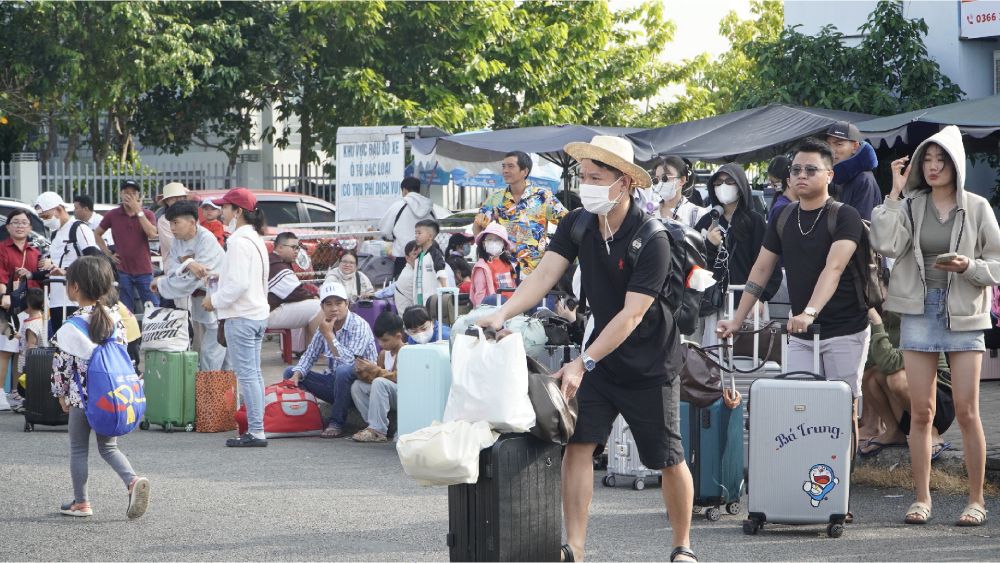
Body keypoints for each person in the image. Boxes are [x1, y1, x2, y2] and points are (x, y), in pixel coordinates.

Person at [478, 135, 696, 563]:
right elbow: (543, 276)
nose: (587, 185)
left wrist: (582, 361)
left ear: (626, 184)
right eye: (584, 176)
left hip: (649, 361)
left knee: (667, 458)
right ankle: (574, 547)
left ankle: (682, 545)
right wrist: (501, 314)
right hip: (597, 358)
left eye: (598, 178)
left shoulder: (652, 237)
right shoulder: (577, 223)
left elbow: (633, 315)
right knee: (578, 445)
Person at [871, 125, 1000, 527]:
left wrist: (970, 267)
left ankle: (976, 500)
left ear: (955, 165)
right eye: (926, 159)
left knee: (967, 412)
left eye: (940, 160)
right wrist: (893, 192)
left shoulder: (977, 207)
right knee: (922, 412)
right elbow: (887, 245)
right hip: (919, 311)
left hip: (963, 312)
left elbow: (996, 263)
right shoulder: (910, 204)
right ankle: (922, 498)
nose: (932, 166)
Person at [717, 137, 870, 461]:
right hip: (801, 334)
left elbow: (835, 267)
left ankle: (840, 492)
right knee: (801, 405)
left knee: (843, 408)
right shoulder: (783, 217)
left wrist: (810, 312)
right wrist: (737, 319)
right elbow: (760, 270)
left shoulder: (845, 216)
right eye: (796, 169)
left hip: (846, 328)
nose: (801, 175)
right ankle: (806, 481)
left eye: (811, 169)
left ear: (829, 174)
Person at [49, 256, 150, 519]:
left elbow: (61, 367)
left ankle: (81, 503)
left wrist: (60, 396)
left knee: (78, 449)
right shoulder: (116, 318)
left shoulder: (70, 327)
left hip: (81, 400)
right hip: (111, 397)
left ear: (74, 288)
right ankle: (131, 480)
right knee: (108, 447)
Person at [202, 188, 270, 448]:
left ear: (238, 211)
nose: (222, 211)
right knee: (254, 374)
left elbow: (239, 284)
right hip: (256, 313)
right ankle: (257, 428)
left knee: (248, 375)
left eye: (227, 207)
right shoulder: (254, 238)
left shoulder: (239, 241)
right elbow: (247, 279)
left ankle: (256, 430)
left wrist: (214, 300)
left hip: (242, 316)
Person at [693, 163, 781, 345]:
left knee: (748, 359)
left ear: (740, 187)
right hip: (715, 305)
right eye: (718, 183)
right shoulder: (706, 221)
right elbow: (694, 265)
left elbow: (770, 266)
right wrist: (709, 246)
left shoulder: (755, 222)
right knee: (714, 359)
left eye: (729, 181)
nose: (723, 186)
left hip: (748, 305)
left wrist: (760, 297)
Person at [284, 281, 378, 438]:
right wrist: (297, 374)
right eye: (328, 304)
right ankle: (306, 419)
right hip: (336, 385)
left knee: (343, 371)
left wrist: (329, 335)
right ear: (322, 307)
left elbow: (350, 363)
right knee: (290, 372)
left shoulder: (359, 325)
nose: (334, 308)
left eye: (339, 303)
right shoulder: (325, 325)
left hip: (360, 387)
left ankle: (337, 422)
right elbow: (310, 354)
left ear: (347, 303)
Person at [859, 307, 953, 459]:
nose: (877, 298)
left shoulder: (916, 319)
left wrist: (876, 323)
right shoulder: (883, 320)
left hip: (939, 404)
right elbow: (868, 365)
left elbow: (890, 363)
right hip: (906, 412)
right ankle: (893, 431)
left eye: (880, 292)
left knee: (896, 378)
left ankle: (932, 432)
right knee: (870, 376)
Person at [152, 201, 228, 371]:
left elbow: (194, 279)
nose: (172, 228)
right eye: (170, 223)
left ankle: (211, 395)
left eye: (176, 222)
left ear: (192, 222)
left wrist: (162, 283)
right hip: (198, 303)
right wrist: (189, 263)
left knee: (212, 354)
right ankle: (219, 394)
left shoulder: (206, 239)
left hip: (217, 301)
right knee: (206, 352)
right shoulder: (177, 242)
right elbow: (171, 271)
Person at [474, 150, 567, 279]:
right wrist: (486, 252)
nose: (505, 170)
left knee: (537, 300)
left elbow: (567, 223)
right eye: (503, 166)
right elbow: (477, 226)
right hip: (503, 269)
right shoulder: (495, 199)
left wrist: (552, 249)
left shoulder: (543, 196)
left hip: (536, 270)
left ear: (525, 171)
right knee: (504, 300)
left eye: (510, 166)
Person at [34, 192, 101, 332]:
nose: (45, 221)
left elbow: (93, 259)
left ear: (59, 209)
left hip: (77, 299)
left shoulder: (79, 228)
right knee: (61, 343)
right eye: (42, 218)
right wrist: (31, 275)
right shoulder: (55, 234)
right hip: (56, 299)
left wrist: (66, 271)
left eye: (46, 216)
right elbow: (55, 267)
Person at [95, 180, 160, 313]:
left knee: (153, 305)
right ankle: (128, 333)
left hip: (144, 269)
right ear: (121, 194)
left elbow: (152, 234)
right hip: (123, 269)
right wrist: (108, 254)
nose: (129, 196)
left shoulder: (147, 214)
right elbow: (97, 234)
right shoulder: (113, 214)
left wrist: (138, 212)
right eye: (126, 193)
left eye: (133, 193)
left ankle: (155, 332)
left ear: (138, 196)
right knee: (125, 309)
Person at [0, 209, 43, 395]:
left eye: (24, 222)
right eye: (15, 222)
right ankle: (1, 392)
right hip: (7, 308)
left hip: (30, 308)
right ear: (8, 227)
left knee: (22, 351)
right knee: (5, 349)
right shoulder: (2, 248)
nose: (20, 226)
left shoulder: (36, 252)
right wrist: (3, 297)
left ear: (30, 227)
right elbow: (1, 277)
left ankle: (16, 393)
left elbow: (41, 280)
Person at [350, 311, 406, 443]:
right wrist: (363, 372)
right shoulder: (383, 354)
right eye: (379, 340)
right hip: (387, 393)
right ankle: (373, 425)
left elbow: (399, 378)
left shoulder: (405, 351)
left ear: (398, 336)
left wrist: (374, 369)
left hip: (403, 396)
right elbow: (374, 379)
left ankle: (378, 430)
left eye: (385, 340)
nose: (381, 344)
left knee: (380, 382)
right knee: (357, 386)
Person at [378, 177, 440, 278]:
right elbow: (436, 229)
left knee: (402, 288)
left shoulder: (398, 206)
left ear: (405, 190)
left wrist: (393, 237)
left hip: (404, 256)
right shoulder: (429, 208)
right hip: (427, 255)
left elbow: (385, 230)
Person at [267, 232, 321, 348]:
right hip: (264, 314)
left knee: (307, 305)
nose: (297, 251)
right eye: (293, 247)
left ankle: (299, 350)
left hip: (263, 311)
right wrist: (313, 296)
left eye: (298, 247)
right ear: (280, 247)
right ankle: (315, 352)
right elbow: (296, 292)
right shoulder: (277, 265)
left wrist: (311, 295)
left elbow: (295, 293)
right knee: (318, 306)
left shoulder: (275, 261)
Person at [825, 121, 882, 221]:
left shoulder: (864, 180)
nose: (831, 150)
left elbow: (862, 226)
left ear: (855, 147)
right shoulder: (834, 177)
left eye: (839, 144)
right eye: (828, 144)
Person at [5, 287, 44, 413]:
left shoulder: (30, 326)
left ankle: (29, 404)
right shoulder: (41, 319)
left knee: (28, 385)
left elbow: (31, 346)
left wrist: (27, 365)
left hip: (30, 363)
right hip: (40, 361)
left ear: (27, 305)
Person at [651, 155, 709, 228]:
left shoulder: (697, 214)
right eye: (656, 180)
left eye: (665, 178)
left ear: (682, 180)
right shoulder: (649, 212)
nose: (660, 183)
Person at [470, 222, 517, 307]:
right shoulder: (482, 267)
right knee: (495, 299)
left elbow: (513, 285)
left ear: (503, 244)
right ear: (484, 244)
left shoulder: (509, 264)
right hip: (493, 308)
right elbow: (480, 294)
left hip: (511, 307)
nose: (494, 242)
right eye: (490, 239)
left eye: (497, 239)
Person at [412, 219, 448, 308]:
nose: (416, 236)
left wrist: (446, 293)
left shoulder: (435, 253)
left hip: (432, 300)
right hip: (419, 298)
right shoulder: (419, 256)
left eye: (419, 233)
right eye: (415, 233)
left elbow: (441, 272)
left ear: (430, 236)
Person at [156, 182, 190, 271]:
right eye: (175, 199)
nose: (179, 201)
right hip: (174, 268)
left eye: (181, 198)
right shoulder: (164, 221)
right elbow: (173, 246)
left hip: (194, 267)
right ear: (167, 201)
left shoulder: (192, 217)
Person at [765, 155, 796, 224]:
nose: (772, 185)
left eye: (776, 181)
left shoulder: (781, 202)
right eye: (772, 182)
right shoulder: (781, 207)